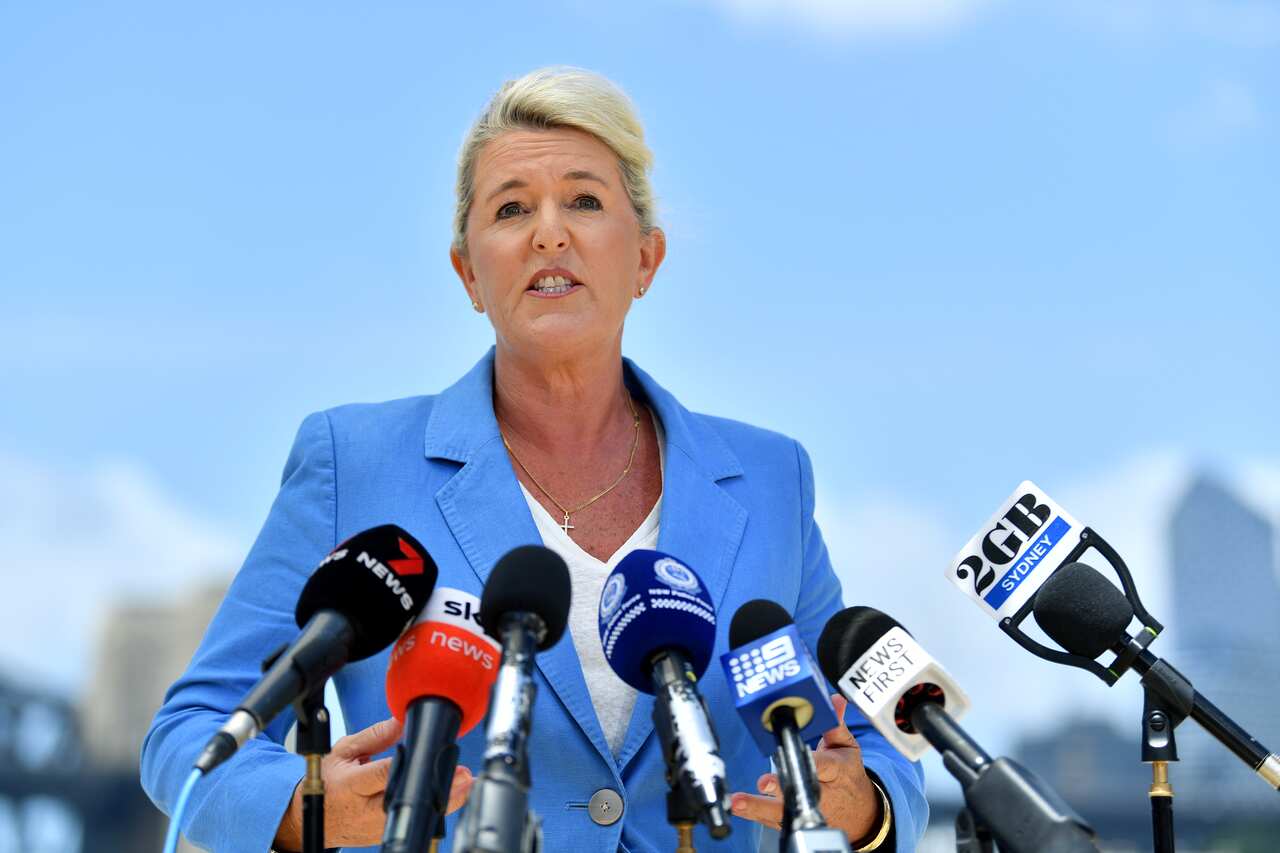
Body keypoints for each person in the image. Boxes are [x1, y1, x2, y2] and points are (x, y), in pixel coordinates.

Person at [141, 67, 928, 852]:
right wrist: (303, 806)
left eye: (584, 200)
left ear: (647, 259)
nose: (550, 231)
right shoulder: (353, 463)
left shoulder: (769, 479)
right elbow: (192, 731)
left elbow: (880, 739)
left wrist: (867, 810)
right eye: (512, 208)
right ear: (468, 274)